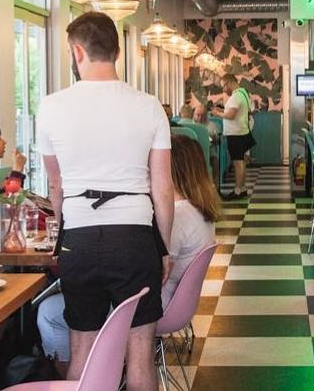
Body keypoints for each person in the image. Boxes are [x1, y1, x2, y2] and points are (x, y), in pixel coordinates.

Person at [37, 11, 206, 391]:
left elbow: (55, 186)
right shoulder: (148, 105)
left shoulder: (51, 107)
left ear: (76, 51)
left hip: (80, 239)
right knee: (138, 353)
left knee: (83, 349)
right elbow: (162, 187)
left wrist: (66, 233)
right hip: (134, 235)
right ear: (117, 49)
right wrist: (166, 248)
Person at [38, 133, 220, 372]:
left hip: (155, 305)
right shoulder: (197, 211)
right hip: (173, 302)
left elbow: (154, 273)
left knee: (50, 311)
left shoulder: (178, 218)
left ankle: (77, 387)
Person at [219, 74, 254, 199]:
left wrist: (217, 113)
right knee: (242, 163)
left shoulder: (236, 96)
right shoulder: (243, 93)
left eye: (223, 86)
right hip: (242, 132)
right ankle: (243, 188)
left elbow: (231, 115)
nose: (223, 90)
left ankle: (238, 190)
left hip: (236, 134)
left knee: (238, 163)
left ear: (229, 83)